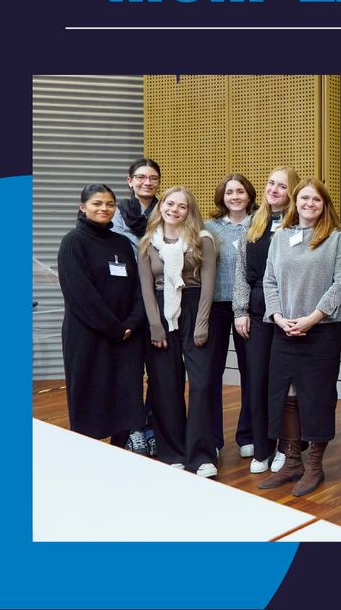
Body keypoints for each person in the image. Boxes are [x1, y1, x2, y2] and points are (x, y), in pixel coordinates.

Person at [258, 177, 341, 496]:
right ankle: (292, 461)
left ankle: (314, 466)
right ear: (295, 202)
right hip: (284, 329)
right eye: (304, 198)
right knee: (287, 395)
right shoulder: (281, 236)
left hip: (321, 330)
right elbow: (269, 281)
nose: (309, 204)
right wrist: (278, 317)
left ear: (324, 205)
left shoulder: (335, 237)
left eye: (316, 199)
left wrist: (312, 318)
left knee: (317, 397)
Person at [57, 184, 146, 445]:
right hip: (89, 335)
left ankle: (121, 446)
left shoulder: (122, 243)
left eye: (109, 204)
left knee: (125, 395)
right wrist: (113, 328)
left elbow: (138, 288)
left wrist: (132, 323)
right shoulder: (73, 241)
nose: (104, 208)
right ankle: (88, 452)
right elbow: (80, 293)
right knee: (89, 396)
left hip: (126, 335)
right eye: (97, 203)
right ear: (82, 207)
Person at [138, 186, 218, 476]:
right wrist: (155, 326)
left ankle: (202, 455)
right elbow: (146, 287)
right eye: (170, 204)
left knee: (201, 385)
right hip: (161, 311)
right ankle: (173, 451)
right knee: (165, 384)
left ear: (189, 211)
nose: (174, 209)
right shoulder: (148, 243)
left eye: (182, 206)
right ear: (161, 206)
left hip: (195, 308)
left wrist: (202, 323)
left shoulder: (203, 239)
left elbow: (208, 284)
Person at [232, 166, 300, 475]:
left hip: (290, 311)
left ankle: (288, 447)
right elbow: (241, 272)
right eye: (271, 183)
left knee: (286, 385)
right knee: (257, 381)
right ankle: (262, 448)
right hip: (258, 313)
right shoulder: (253, 223)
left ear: (292, 192)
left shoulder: (299, 224)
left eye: (282, 186)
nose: (274, 189)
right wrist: (240, 311)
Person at [111, 157, 162, 455]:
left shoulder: (166, 210)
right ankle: (133, 428)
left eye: (153, 177)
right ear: (129, 181)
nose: (147, 182)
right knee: (129, 370)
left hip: (159, 298)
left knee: (159, 369)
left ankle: (153, 426)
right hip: (128, 299)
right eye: (141, 177)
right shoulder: (116, 213)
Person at [204, 173, 257, 458]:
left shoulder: (259, 224)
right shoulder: (209, 227)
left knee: (251, 372)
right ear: (222, 197)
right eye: (229, 192)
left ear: (249, 195)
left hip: (248, 308)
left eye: (239, 191)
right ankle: (212, 437)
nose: (234, 197)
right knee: (211, 373)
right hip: (215, 307)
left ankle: (248, 434)